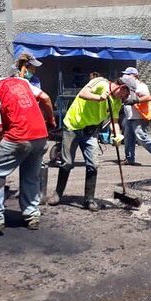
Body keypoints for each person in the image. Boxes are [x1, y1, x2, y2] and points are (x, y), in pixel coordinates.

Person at [48, 75, 135, 212]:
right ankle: (58, 194)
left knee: (93, 164)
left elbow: (115, 121)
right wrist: (99, 97)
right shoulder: (100, 83)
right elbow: (83, 93)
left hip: (90, 132)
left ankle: (89, 199)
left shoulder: (117, 101)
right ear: (122, 87)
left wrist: (117, 134)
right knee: (67, 163)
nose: (127, 97)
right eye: (127, 93)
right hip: (73, 126)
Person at [0, 72, 55, 230]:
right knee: (30, 176)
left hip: (19, 136)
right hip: (40, 135)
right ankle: (32, 215)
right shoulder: (21, 82)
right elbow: (46, 98)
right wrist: (50, 120)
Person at [120, 67, 151, 167]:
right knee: (128, 138)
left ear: (135, 76)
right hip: (129, 116)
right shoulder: (126, 86)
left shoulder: (140, 86)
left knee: (140, 136)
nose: (126, 76)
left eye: (128, 74)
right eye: (125, 74)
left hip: (139, 116)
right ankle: (129, 158)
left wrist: (135, 101)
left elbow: (148, 97)